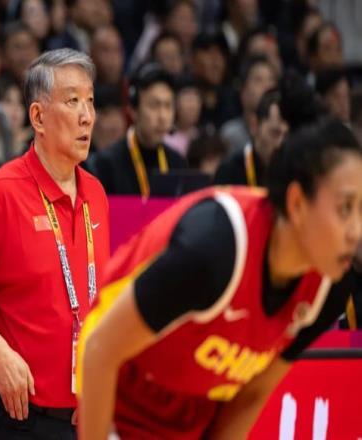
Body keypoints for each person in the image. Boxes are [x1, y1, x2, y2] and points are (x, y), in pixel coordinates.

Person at [77, 117, 362, 439]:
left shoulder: (329, 286)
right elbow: (101, 348)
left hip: (194, 411)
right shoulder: (215, 249)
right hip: (119, 393)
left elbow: (252, 394)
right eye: (345, 208)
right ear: (297, 203)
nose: (356, 231)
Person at [0, 48, 110, 440]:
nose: (87, 116)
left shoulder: (96, 194)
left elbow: (96, 299)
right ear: (38, 117)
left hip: (85, 417)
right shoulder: (1, 193)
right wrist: (0, 355)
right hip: (24, 421)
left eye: (91, 101)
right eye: (72, 101)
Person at [91, 62, 187, 197]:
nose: (163, 116)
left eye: (168, 106)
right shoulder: (108, 164)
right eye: (154, 105)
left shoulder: (178, 164)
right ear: (133, 110)